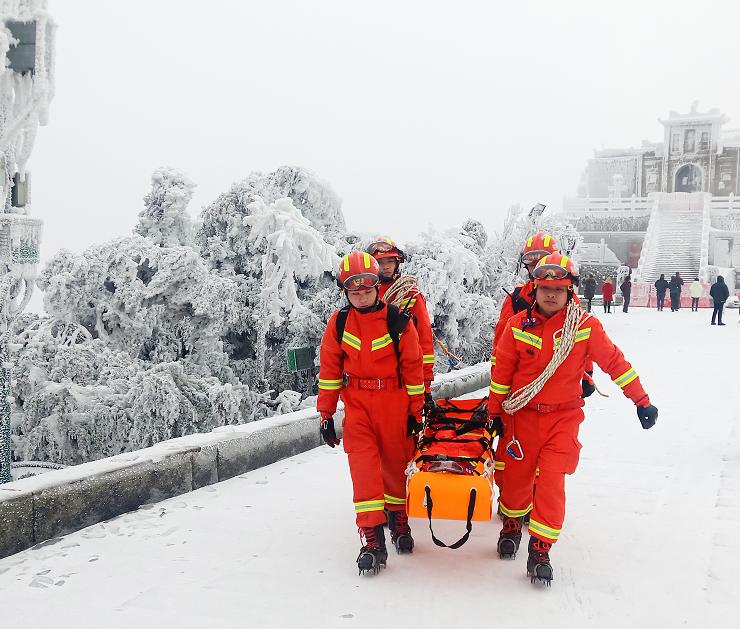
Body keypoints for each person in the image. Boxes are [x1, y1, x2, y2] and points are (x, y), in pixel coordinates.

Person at [488, 252, 658, 586]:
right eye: (545, 287)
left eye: (559, 288)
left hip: (562, 420)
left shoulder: (584, 326)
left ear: (570, 291)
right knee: (515, 482)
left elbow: (615, 363)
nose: (551, 294)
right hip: (520, 419)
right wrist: (494, 413)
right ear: (534, 289)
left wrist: (641, 400)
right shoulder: (517, 326)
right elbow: (501, 374)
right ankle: (511, 526)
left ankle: (540, 550)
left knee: (551, 483)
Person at [317, 250, 425, 575]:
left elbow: (415, 370)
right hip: (359, 408)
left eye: (366, 288)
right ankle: (373, 539)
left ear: (378, 286)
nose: (361, 295)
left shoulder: (398, 322)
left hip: (395, 404)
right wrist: (326, 414)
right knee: (363, 471)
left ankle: (399, 521)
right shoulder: (338, 324)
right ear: (345, 291)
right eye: (354, 290)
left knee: (395, 467)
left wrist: (416, 413)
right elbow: (330, 371)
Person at [367, 237, 435, 414]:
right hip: (372, 382)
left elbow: (424, 337)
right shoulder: (364, 296)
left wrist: (425, 385)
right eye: (381, 262)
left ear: (397, 263)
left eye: (390, 261)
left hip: (403, 377)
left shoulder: (410, 293)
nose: (386, 266)